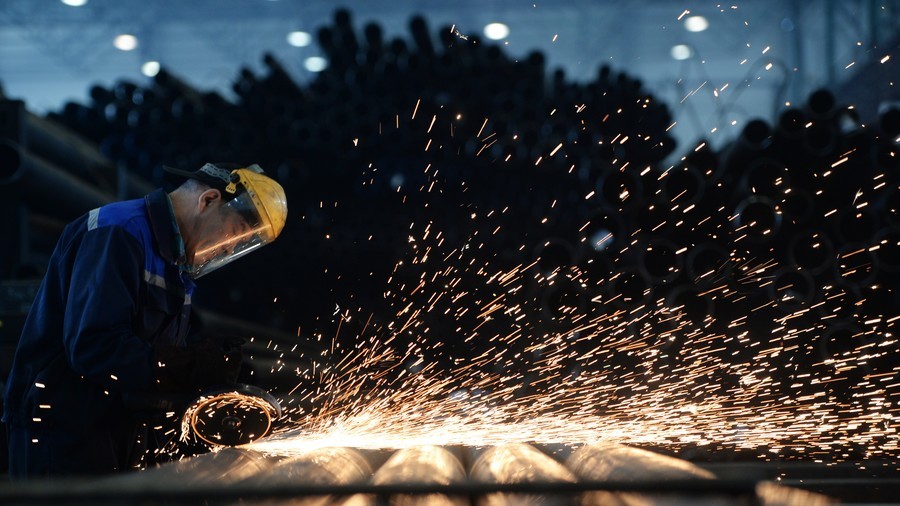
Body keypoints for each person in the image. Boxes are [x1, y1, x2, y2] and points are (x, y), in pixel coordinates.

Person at [2, 162, 288, 478]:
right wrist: (186, 367)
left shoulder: (174, 261)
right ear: (208, 200)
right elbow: (94, 348)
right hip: (63, 432)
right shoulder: (119, 232)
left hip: (114, 428)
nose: (232, 246)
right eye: (236, 233)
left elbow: (154, 350)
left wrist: (215, 378)